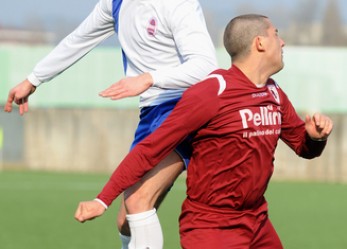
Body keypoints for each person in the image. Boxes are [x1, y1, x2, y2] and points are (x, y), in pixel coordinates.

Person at [74, 14, 333, 249]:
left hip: (257, 222)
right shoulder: (211, 92)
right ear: (260, 43)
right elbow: (149, 149)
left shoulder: (273, 92)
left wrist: (315, 137)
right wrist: (103, 200)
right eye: (276, 34)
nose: (283, 42)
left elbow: (304, 148)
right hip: (212, 229)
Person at [3, 0, 217, 248]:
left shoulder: (178, 4)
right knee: (126, 221)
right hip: (152, 113)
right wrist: (33, 79)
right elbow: (80, 38)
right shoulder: (114, 4)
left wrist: (150, 78)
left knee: (138, 200)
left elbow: (206, 66)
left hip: (185, 108)